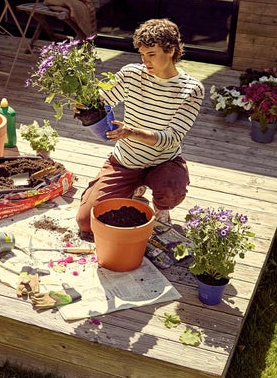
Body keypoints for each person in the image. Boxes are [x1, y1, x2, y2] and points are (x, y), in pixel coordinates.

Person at [76, 18, 204, 234]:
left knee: (170, 190)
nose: (146, 61)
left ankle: (161, 207)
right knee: (86, 223)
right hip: (126, 160)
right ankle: (134, 186)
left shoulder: (191, 89)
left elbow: (171, 138)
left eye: (151, 55)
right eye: (142, 55)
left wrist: (131, 132)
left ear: (171, 50)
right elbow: (103, 99)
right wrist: (85, 105)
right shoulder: (131, 74)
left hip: (164, 162)